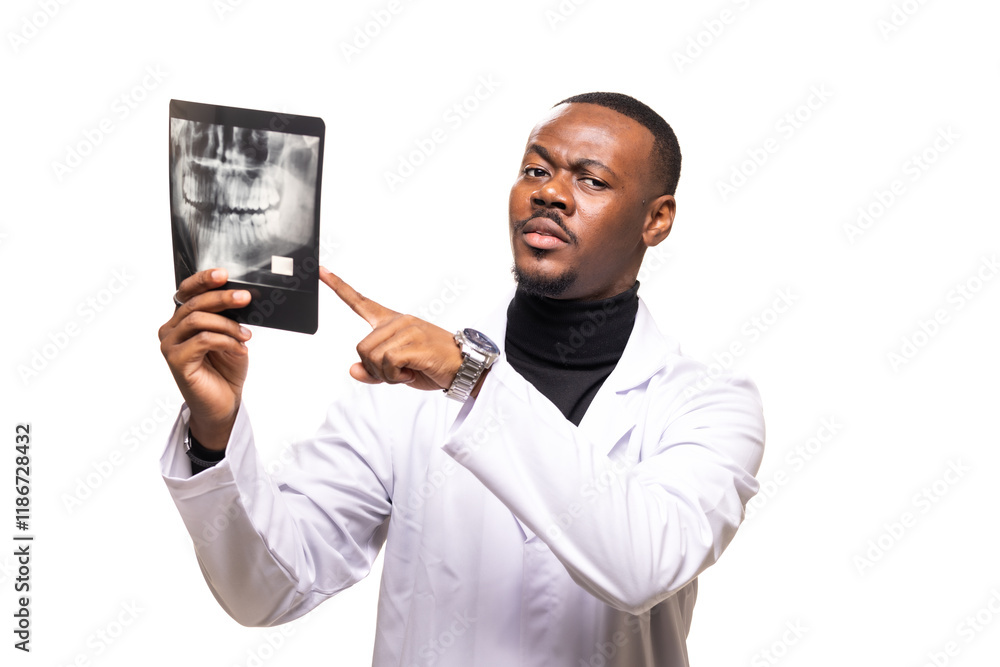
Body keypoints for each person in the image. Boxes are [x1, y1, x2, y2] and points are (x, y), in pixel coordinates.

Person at [158, 92, 765, 666]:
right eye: (536, 170)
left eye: (592, 179)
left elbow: (643, 564)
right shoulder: (402, 390)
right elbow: (267, 590)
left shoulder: (707, 405)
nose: (551, 193)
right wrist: (215, 433)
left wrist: (471, 379)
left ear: (657, 219)